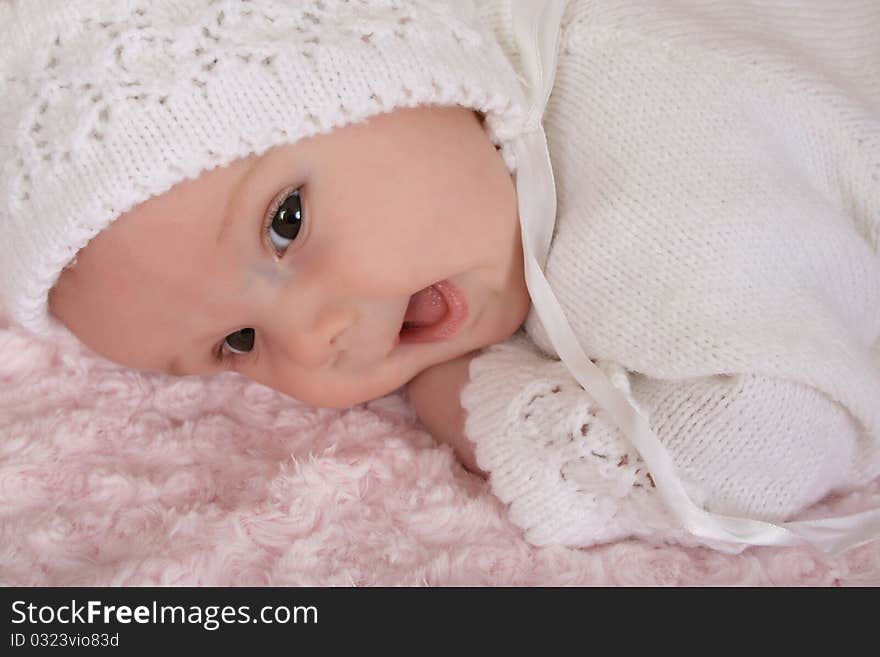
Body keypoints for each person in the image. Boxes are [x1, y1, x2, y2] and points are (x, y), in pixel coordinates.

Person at [2, 0, 878, 551]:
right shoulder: (486, 164)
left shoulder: (639, 146)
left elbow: (759, 444)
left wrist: (473, 399)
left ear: (386, 62)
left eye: (287, 222)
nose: (316, 340)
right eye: (240, 341)